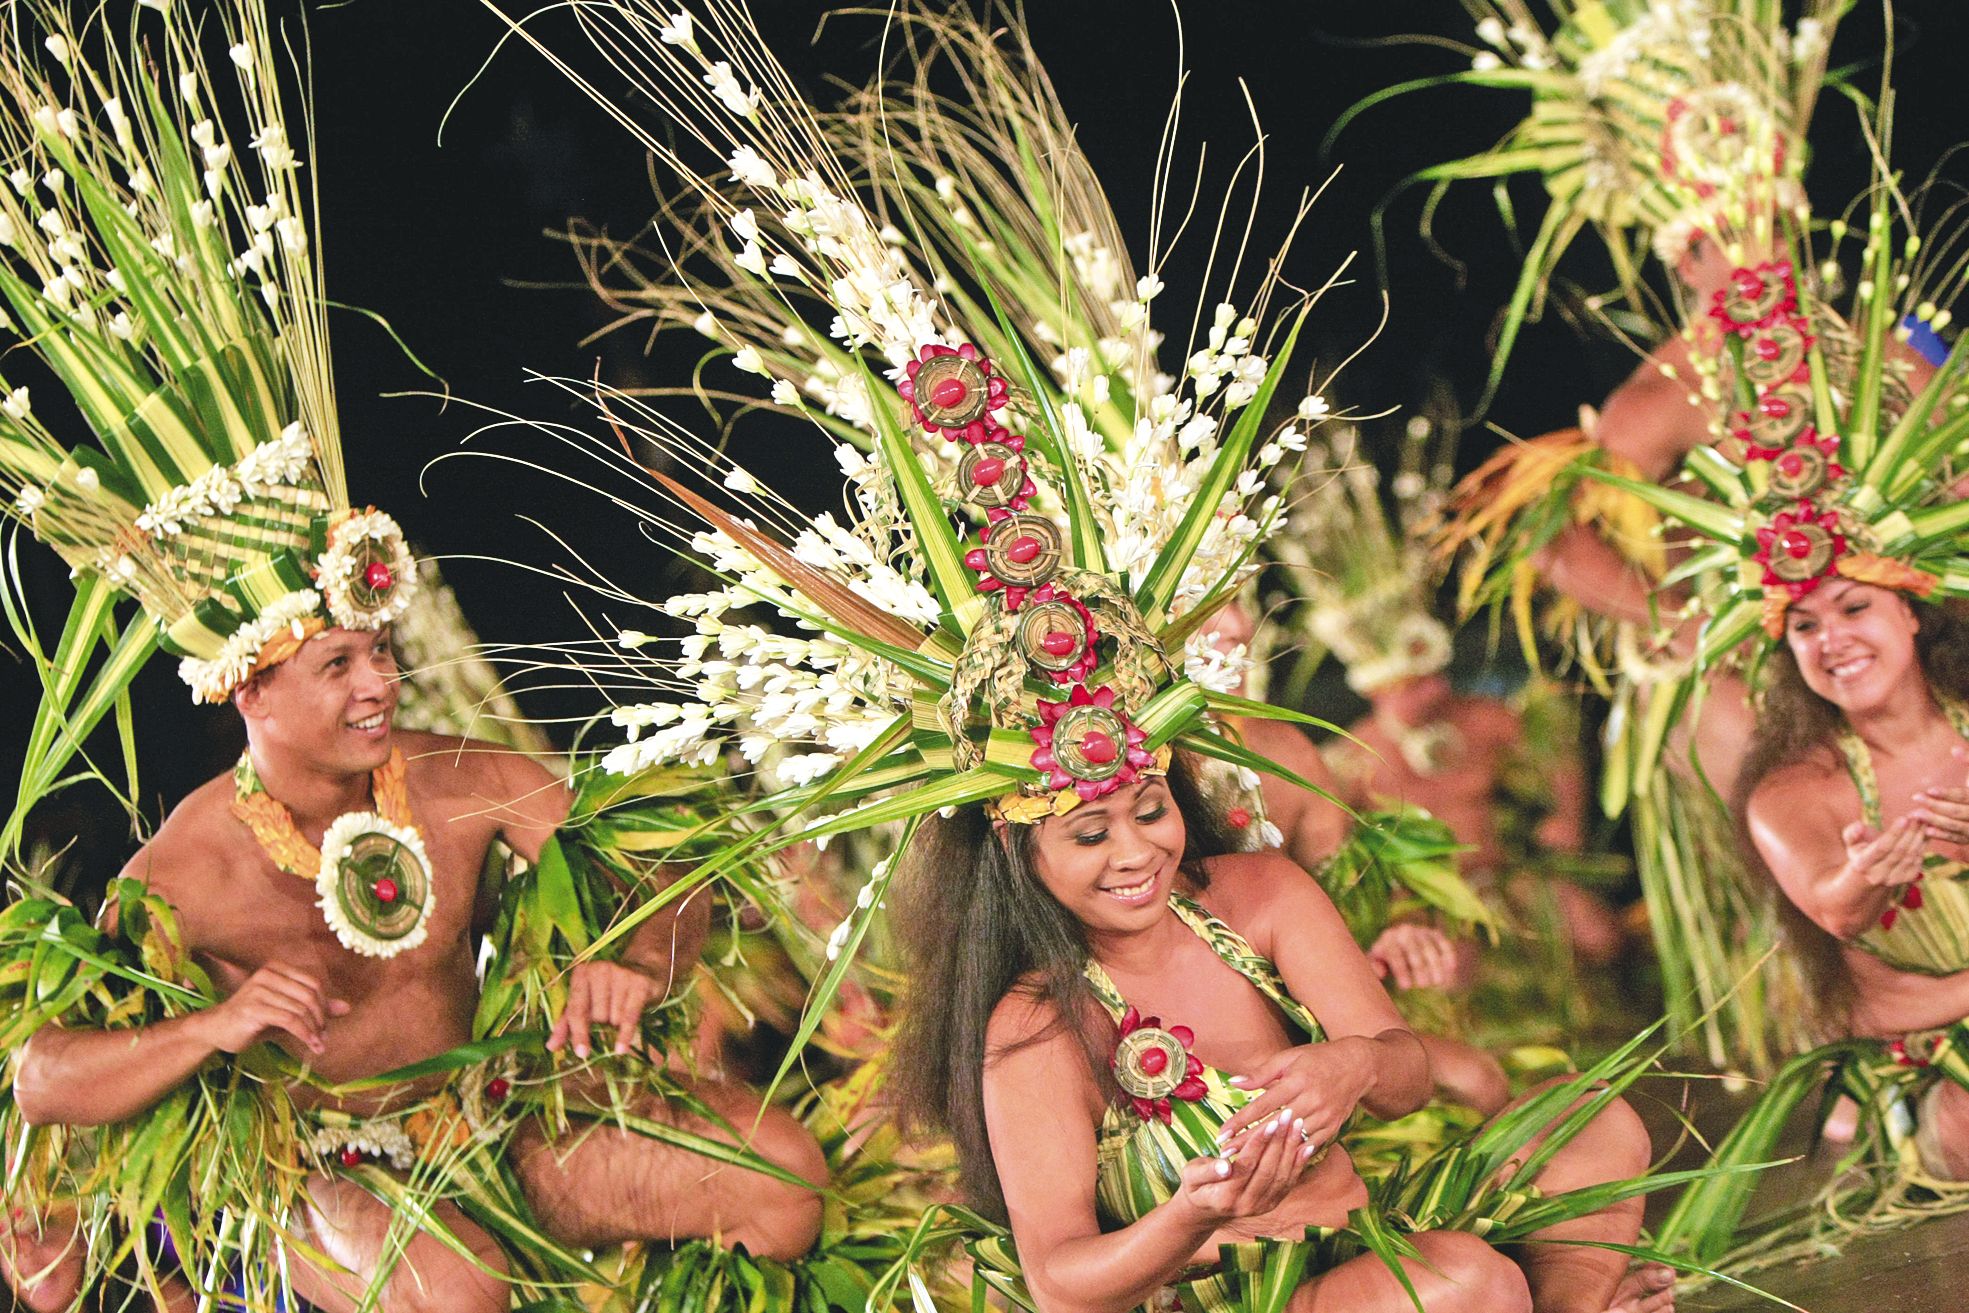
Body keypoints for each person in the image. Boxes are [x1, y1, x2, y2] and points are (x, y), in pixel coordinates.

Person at [11, 624, 827, 1312]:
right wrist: (211, 1027)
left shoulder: (465, 780)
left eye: (381, 651)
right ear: (250, 693)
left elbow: (668, 886)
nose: (381, 683)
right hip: (324, 1173)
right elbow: (44, 1078)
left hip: (495, 1120)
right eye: (338, 665)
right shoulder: (186, 871)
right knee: (455, 1289)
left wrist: (640, 961)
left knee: (781, 1178)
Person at [885, 756, 1672, 1313]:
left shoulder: (1260, 894)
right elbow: (1060, 1284)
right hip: (1218, 1299)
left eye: (1150, 811)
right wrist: (1191, 1214)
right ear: (1020, 856)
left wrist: (1356, 1063)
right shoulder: (1034, 1022)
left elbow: (1407, 1080)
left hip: (1369, 1234)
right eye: (1089, 835)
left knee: (1587, 1117)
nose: (1137, 852)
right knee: (1464, 1283)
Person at [1738, 581, 1969, 1176]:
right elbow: (1840, 917)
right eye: (1804, 626)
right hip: (1930, 1070)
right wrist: (1863, 876)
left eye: (1854, 607)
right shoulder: (1795, 793)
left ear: (1910, 612)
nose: (1833, 641)